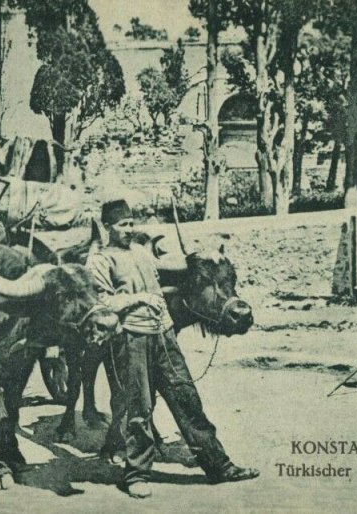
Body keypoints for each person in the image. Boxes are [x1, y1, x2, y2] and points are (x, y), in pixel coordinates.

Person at [86, 199, 259, 499]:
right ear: (107, 227)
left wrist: (201, 257)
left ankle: (220, 466)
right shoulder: (99, 261)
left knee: (187, 398)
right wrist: (139, 299)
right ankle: (137, 474)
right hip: (132, 338)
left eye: (131, 223)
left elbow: (179, 270)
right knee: (139, 409)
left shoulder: (141, 252)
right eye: (121, 225)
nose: (128, 229)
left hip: (164, 335)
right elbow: (101, 303)